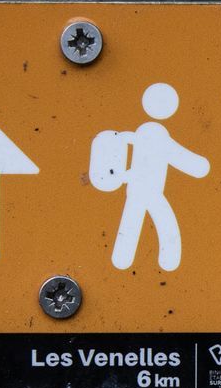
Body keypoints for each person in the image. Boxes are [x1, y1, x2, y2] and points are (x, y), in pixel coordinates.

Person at [89, 82, 209, 272]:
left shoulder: (141, 134)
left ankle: (124, 260)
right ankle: (162, 262)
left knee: (136, 220)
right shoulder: (153, 133)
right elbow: (179, 157)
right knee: (161, 221)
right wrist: (200, 166)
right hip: (147, 188)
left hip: (142, 188)